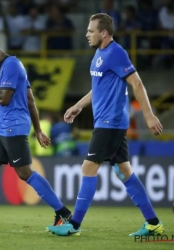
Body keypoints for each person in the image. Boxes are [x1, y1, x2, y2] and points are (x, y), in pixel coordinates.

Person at [46, 13, 164, 237]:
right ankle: (153, 223)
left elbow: (137, 82)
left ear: (104, 33)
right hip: (106, 121)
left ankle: (74, 225)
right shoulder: (99, 54)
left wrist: (148, 115)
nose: (87, 34)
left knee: (88, 167)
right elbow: (98, 88)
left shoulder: (116, 52)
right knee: (124, 170)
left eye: (91, 31)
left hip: (111, 122)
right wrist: (78, 105)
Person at [0, 37, 71, 231]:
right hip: (0, 126)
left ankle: (63, 212)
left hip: (13, 126)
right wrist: (38, 130)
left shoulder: (11, 66)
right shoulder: (8, 67)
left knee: (24, 172)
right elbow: (30, 100)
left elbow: (3, 99)